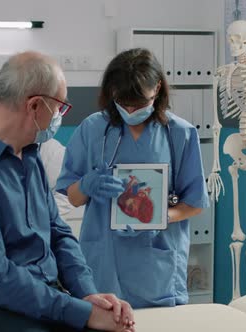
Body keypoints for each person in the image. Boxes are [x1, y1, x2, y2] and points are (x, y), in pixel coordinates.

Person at [0, 51, 135, 332]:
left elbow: (58, 233)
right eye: (60, 107)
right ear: (35, 106)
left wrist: (88, 295)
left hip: (41, 296)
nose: (59, 116)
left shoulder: (30, 155)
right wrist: (82, 314)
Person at [56, 48, 210, 308]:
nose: (129, 110)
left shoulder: (180, 135)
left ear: (157, 88)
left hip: (156, 265)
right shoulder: (92, 129)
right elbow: (72, 198)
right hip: (103, 260)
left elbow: (194, 202)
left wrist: (159, 218)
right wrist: (86, 184)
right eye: (122, 102)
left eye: (138, 104)